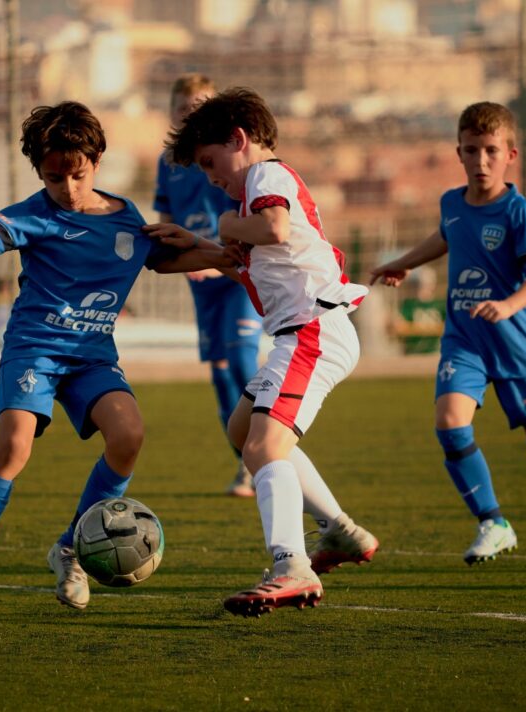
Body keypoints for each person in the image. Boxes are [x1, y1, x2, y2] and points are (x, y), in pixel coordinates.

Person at [0, 101, 228, 622]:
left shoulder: (125, 217)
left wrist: (231, 255)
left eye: (77, 175)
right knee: (13, 445)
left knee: (128, 437)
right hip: (34, 348)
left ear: (97, 161)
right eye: (54, 176)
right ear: (40, 171)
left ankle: (72, 548)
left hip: (92, 356)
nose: (67, 187)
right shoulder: (29, 216)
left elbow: (168, 260)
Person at [151, 87, 379, 617]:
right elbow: (238, 259)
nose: (211, 177)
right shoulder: (255, 194)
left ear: (240, 139)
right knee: (242, 432)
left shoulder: (264, 178)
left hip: (312, 331)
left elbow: (270, 230)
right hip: (301, 335)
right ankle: (341, 532)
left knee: (262, 449)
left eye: (211, 163)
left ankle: (291, 567)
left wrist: (224, 226)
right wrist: (184, 245)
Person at [369, 101, 526, 568]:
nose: (481, 161)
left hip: (515, 343)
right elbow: (446, 237)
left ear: (510, 154)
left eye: (491, 151)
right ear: (459, 153)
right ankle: (493, 523)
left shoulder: (519, 212)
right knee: (450, 424)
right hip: (465, 339)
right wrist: (404, 263)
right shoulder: (452, 204)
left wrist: (509, 305)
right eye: (471, 151)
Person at [154, 74, 263, 497]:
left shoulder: (228, 155)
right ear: (173, 114)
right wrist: (182, 260)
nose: (194, 115)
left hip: (234, 271)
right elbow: (164, 216)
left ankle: (268, 449)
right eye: (186, 108)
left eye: (202, 106)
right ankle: (247, 466)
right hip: (200, 277)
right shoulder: (169, 163)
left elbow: (249, 210)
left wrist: (219, 252)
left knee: (240, 362)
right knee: (219, 376)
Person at [396, 265, 444, 354]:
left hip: (434, 352)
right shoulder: (409, 305)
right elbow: (399, 326)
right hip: (413, 353)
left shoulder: (440, 305)